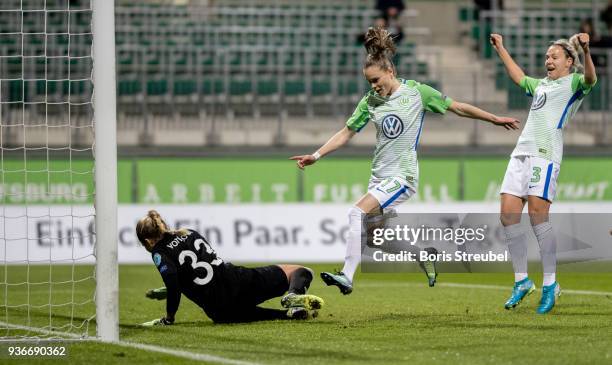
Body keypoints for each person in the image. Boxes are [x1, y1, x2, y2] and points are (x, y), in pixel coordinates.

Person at [290, 27, 520, 296]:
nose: (374, 86)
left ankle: (347, 276)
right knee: (376, 240)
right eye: (369, 82)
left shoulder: (417, 93)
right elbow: (347, 132)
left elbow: (457, 106)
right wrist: (316, 155)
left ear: (390, 72)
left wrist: (494, 118)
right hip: (379, 176)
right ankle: (424, 255)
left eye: (376, 79)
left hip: (402, 176)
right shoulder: (371, 101)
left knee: (356, 213)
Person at [490, 32, 596, 314]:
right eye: (547, 56)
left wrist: (586, 51)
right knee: (508, 215)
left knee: (538, 217)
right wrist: (501, 48)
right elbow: (518, 77)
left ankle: (550, 284)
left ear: (568, 62)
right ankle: (521, 281)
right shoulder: (540, 86)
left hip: (545, 155)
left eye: (554, 56)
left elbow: (590, 79)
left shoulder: (573, 82)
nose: (548, 60)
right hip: (521, 153)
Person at [136, 210, 324, 325]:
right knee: (301, 271)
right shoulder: (189, 232)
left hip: (220, 311)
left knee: (264, 315)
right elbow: (199, 268)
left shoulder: (159, 252)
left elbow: (176, 281)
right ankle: (293, 295)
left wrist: (169, 318)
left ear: (146, 240)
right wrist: (171, 289)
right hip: (237, 282)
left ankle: (289, 315)